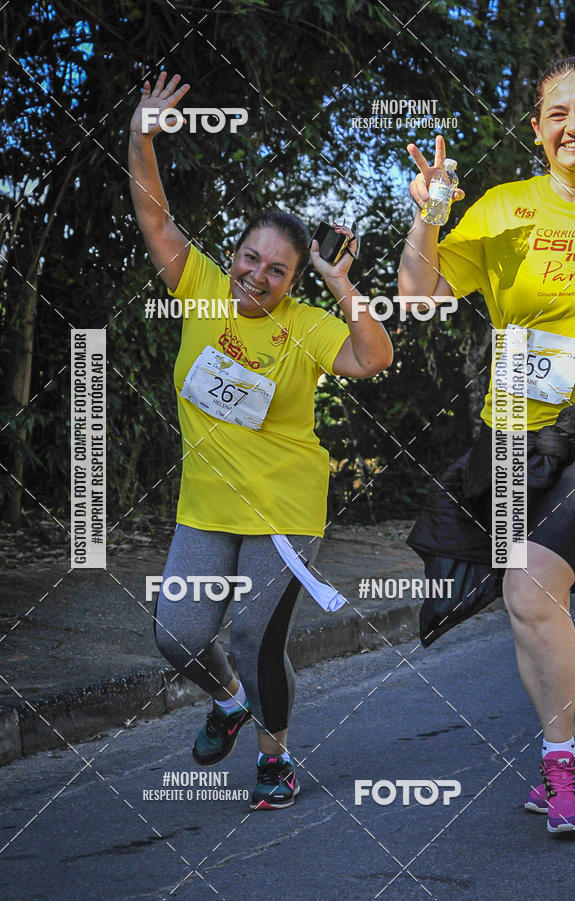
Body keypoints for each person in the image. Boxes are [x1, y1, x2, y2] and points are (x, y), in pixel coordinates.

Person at [128, 72, 393, 810]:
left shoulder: (305, 326)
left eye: (276, 268)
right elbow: (155, 216)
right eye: (250, 256)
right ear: (234, 252)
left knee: (253, 634)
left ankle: (275, 757)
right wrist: (141, 135)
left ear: (289, 280)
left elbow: (372, 357)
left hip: (283, 509)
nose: (256, 274)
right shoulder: (205, 288)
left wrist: (343, 290)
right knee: (178, 637)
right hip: (206, 506)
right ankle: (229, 701)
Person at [398, 55, 575, 835]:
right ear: (537, 129)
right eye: (559, 113)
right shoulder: (503, 208)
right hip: (512, 439)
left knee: (527, 585)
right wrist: (431, 212)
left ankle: (568, 761)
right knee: (530, 608)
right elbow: (419, 295)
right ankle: (571, 752)